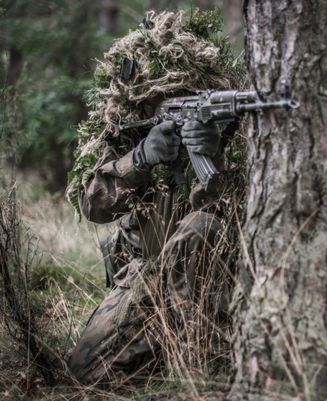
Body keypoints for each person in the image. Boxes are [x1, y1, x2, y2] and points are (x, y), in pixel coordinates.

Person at [65, 9, 244, 384]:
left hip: (213, 285)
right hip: (146, 281)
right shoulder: (125, 134)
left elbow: (246, 213)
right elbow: (93, 206)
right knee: (84, 369)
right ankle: (162, 356)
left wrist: (214, 156)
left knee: (202, 226)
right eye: (162, 103)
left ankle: (207, 360)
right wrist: (141, 158)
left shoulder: (234, 136)